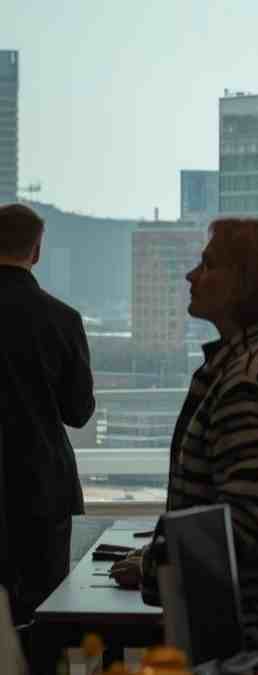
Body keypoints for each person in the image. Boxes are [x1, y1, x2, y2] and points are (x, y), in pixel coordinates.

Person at [111, 218, 258, 658]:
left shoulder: (250, 379)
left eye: (207, 265)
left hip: (251, 648)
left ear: (243, 284)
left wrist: (154, 568)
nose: (192, 276)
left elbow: (239, 517)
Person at [0, 203, 95, 625]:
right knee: (41, 622)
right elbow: (78, 413)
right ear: (36, 251)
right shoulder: (62, 320)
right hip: (40, 489)